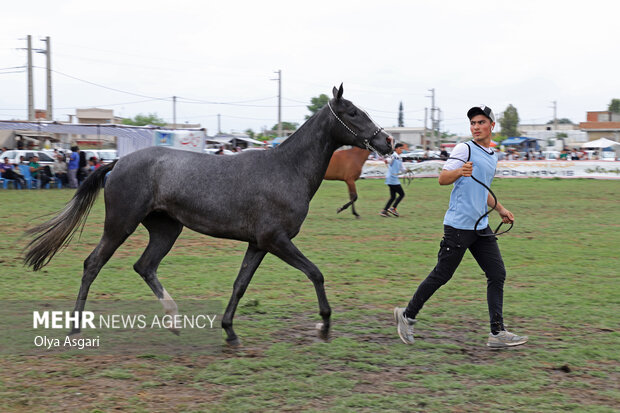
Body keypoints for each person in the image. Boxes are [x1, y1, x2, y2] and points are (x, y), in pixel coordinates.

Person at [393, 104, 528, 349]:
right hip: (458, 226)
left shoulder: (492, 155)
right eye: (473, 123)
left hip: (481, 227)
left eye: (481, 122)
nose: (476, 127)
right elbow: (442, 179)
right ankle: (407, 315)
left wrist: (501, 209)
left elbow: (482, 188)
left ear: (491, 126)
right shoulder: (463, 148)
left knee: (497, 274)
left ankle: (497, 333)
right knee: (442, 274)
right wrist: (459, 172)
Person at [379, 142, 406, 217]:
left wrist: (406, 171)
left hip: (392, 179)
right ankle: (393, 208)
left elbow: (402, 168)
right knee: (402, 194)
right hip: (392, 179)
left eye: (402, 149)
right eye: (401, 149)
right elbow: (387, 160)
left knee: (393, 197)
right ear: (396, 149)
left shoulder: (399, 158)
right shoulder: (393, 156)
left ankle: (384, 211)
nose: (402, 150)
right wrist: (387, 161)